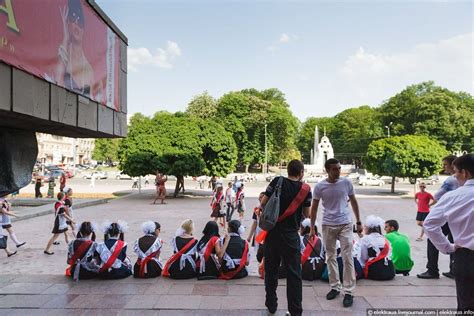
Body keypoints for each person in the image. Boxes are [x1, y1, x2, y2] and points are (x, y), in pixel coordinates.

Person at [257, 159, 312, 316]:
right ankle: (295, 310)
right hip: (291, 235)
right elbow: (307, 214)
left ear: (288, 170)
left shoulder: (277, 181)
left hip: (273, 233)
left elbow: (264, 202)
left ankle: (271, 304)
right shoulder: (305, 189)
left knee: (271, 269)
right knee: (294, 273)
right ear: (301, 173)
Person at [424, 154, 474, 311]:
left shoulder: (453, 197)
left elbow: (430, 224)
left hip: (466, 257)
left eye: (456, 171)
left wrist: (448, 247)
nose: (454, 176)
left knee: (467, 306)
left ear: (465, 173)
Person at [310, 158, 362, 308]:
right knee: (330, 256)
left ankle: (349, 292)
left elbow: (353, 201)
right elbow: (314, 208)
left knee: (347, 256)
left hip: (345, 223)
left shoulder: (346, 183)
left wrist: (358, 221)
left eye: (339, 168)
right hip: (328, 224)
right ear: (327, 170)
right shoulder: (320, 186)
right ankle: (334, 287)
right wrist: (312, 227)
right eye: (334, 169)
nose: (338, 171)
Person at [418, 155, 458, 280]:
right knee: (455, 241)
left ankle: (432, 269)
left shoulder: (451, 180)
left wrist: (430, 206)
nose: (443, 167)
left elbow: (438, 196)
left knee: (432, 238)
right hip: (458, 216)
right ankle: (454, 270)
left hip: (448, 215)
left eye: (445, 164)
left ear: (453, 165)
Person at [54, 0, 98, 100]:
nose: (77, 26)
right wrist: (65, 38)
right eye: (73, 19)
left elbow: (89, 103)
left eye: (80, 22)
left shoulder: (89, 70)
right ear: (68, 23)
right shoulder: (63, 53)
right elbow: (57, 83)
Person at [358, 216, 395, 281]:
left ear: (368, 228)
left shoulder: (365, 239)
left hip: (375, 272)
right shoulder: (385, 239)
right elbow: (390, 255)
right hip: (390, 271)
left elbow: (364, 257)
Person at [247, 192, 266, 279]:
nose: (260, 199)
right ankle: (261, 269)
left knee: (266, 251)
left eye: (262, 197)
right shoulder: (257, 209)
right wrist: (250, 236)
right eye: (259, 197)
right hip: (259, 232)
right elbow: (254, 223)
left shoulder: (269, 209)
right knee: (259, 251)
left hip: (266, 232)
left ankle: (264, 269)